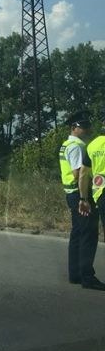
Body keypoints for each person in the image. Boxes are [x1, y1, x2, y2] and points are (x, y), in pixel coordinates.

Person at [61, 111, 103, 290]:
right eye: (82, 127)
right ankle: (87, 276)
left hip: (70, 192)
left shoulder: (66, 144)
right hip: (79, 193)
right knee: (88, 233)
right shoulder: (77, 146)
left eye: (87, 126)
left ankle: (75, 274)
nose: (86, 129)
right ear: (73, 128)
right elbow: (79, 173)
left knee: (77, 233)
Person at [80, 112, 105, 291]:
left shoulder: (92, 145)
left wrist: (83, 198)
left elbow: (83, 174)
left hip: (100, 196)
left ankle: (86, 275)